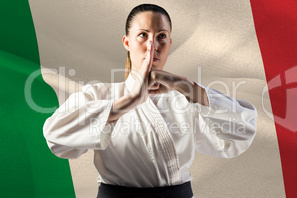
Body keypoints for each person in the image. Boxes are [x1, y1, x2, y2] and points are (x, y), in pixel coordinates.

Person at [43, 3, 258, 198]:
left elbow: (243, 131)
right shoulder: (99, 95)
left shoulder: (187, 99)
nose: (152, 45)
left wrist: (185, 86)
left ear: (170, 43)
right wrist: (126, 102)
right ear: (126, 42)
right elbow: (55, 136)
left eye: (161, 36)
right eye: (143, 35)